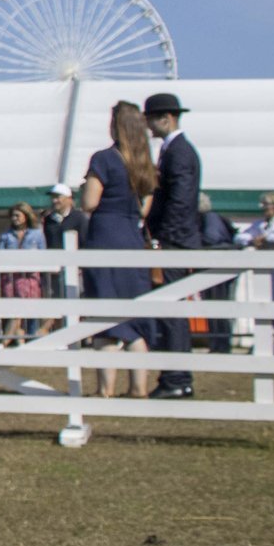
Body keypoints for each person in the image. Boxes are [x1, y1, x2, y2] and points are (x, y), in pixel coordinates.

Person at [80, 101, 157, 398]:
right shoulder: (144, 164)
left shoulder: (104, 159)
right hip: (132, 239)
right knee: (133, 315)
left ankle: (105, 389)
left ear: (116, 126)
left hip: (105, 237)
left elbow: (89, 202)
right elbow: (145, 209)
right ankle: (139, 388)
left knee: (105, 313)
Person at [141, 93, 202, 397]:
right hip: (175, 238)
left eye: (151, 119)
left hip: (174, 240)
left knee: (171, 309)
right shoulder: (175, 150)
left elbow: (180, 199)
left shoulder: (178, 152)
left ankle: (177, 378)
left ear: (165, 118)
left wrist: (164, 237)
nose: (148, 126)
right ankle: (175, 376)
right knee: (169, 309)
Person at [0, 202, 46, 343]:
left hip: (30, 278)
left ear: (26, 216)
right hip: (10, 277)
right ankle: (17, 340)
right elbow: (0, 254)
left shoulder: (37, 234)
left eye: (18, 215)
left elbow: (43, 253)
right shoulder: (6, 235)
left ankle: (31, 339)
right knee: (14, 310)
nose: (15, 218)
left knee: (31, 310)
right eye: (12, 215)